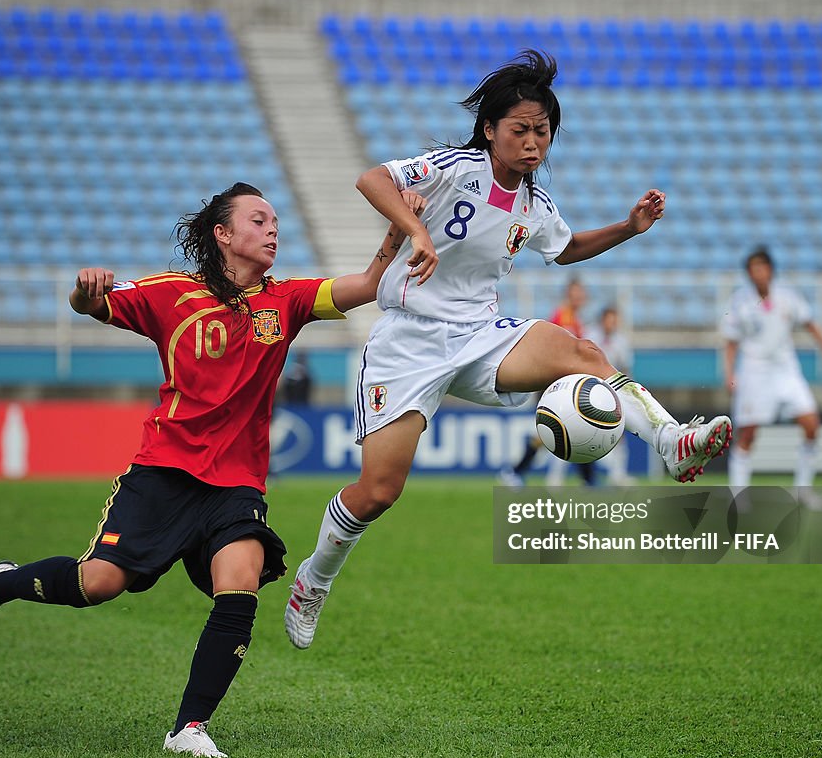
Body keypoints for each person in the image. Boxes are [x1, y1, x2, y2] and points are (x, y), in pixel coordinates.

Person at [0, 182, 426, 758]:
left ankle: (189, 729)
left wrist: (401, 226)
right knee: (99, 585)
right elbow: (94, 305)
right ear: (223, 234)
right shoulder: (171, 295)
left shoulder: (287, 299)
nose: (273, 229)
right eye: (259, 219)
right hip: (164, 472)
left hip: (237, 484)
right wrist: (84, 291)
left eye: (275, 221)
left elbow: (367, 285)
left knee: (240, 578)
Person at [284, 50, 732, 650]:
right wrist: (415, 228)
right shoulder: (453, 168)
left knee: (584, 353)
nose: (532, 143)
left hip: (480, 336)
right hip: (407, 342)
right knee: (379, 492)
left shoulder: (534, 206)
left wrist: (628, 228)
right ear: (491, 129)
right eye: (519, 129)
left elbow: (566, 248)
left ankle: (671, 442)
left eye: (542, 132)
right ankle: (314, 579)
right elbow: (373, 179)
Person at [721, 247, 822, 495]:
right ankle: (738, 495)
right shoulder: (740, 301)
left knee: (811, 425)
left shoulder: (787, 296)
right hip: (755, 370)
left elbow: (809, 323)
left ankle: (803, 490)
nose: (758, 273)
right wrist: (730, 374)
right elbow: (731, 342)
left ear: (771, 270)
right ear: (748, 274)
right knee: (748, 435)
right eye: (753, 269)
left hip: (786, 369)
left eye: (762, 267)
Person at [499, 277, 596, 486]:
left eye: (581, 293)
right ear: (568, 295)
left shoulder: (575, 320)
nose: (579, 297)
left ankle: (588, 481)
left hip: (560, 386)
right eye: (575, 293)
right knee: (556, 432)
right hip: (555, 386)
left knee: (572, 430)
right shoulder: (564, 318)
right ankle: (514, 472)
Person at [584, 305, 634, 485]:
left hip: (613, 392)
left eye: (615, 320)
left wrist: (628, 393)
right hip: (590, 391)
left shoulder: (621, 341)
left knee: (619, 432)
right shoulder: (590, 336)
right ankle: (555, 476)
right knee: (579, 431)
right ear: (603, 319)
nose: (613, 324)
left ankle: (618, 474)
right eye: (610, 319)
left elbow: (626, 368)